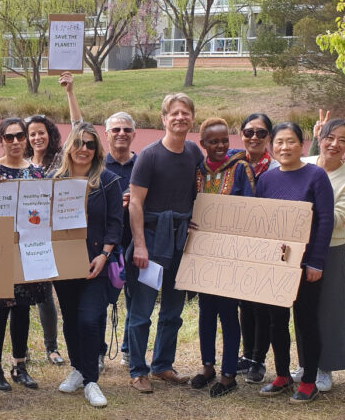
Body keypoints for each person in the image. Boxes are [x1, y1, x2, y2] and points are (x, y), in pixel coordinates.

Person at [126, 93, 204, 393]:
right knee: (142, 312)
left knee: (173, 310)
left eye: (186, 113)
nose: (180, 118)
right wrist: (141, 245)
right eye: (175, 113)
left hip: (179, 240)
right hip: (151, 239)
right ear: (164, 118)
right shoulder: (149, 156)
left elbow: (199, 191)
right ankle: (138, 369)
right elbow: (135, 203)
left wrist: (192, 217)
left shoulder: (194, 153)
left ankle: (162, 365)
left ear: (192, 118)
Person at [255, 122, 334, 403]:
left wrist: (316, 261)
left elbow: (326, 220)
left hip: (305, 265)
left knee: (306, 321)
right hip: (276, 264)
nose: (284, 147)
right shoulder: (266, 179)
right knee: (276, 321)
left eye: (290, 142)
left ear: (301, 144)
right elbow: (260, 222)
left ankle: (310, 380)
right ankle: (283, 375)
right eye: (279, 142)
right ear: (271, 146)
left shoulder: (316, 175)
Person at [51, 123, 124, 408]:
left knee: (88, 319)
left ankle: (91, 380)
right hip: (63, 264)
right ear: (70, 146)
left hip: (97, 264)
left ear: (97, 150)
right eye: (79, 143)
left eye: (90, 144)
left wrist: (104, 254)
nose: (84, 149)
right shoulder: (54, 180)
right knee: (70, 320)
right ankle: (78, 368)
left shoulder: (108, 181)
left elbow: (116, 223)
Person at [190, 117, 255, 398]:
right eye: (213, 141)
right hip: (203, 251)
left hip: (230, 253)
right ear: (203, 144)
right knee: (206, 312)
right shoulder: (197, 170)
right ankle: (207, 366)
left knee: (228, 313)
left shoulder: (240, 169)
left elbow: (251, 208)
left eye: (224, 141)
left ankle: (229, 374)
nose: (220, 146)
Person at [295, 114, 345, 392]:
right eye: (329, 138)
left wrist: (299, 211)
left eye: (341, 141)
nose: (334, 144)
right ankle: (306, 363)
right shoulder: (305, 164)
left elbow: (338, 217)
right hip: (298, 247)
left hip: (330, 249)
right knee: (302, 309)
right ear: (320, 139)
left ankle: (325, 367)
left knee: (329, 309)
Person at [0, 117, 48, 391]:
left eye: (19, 136)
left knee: (22, 310)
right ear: (0, 140)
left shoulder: (37, 172)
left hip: (29, 251)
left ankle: (20, 365)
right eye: (8, 137)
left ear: (26, 139)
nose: (15, 142)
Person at [232, 112, 279, 385]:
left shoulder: (275, 168)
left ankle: (259, 359)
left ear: (269, 137)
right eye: (249, 132)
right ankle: (247, 354)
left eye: (261, 133)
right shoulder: (234, 165)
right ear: (241, 134)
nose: (254, 137)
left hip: (267, 245)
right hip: (239, 245)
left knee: (262, 306)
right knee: (244, 304)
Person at [25, 114, 64, 366]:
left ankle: (52, 348)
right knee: (18, 298)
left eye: (41, 132)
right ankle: (22, 351)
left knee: (45, 293)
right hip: (25, 233)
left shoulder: (60, 161)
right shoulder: (23, 163)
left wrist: (70, 93)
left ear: (49, 134)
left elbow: (80, 126)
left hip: (50, 234)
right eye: (32, 134)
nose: (37, 137)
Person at [104, 111, 137, 368]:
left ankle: (129, 350)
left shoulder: (143, 164)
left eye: (126, 129)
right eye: (116, 130)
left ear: (134, 134)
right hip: (106, 243)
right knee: (100, 300)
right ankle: (98, 352)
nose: (121, 134)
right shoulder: (97, 165)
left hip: (137, 241)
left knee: (135, 300)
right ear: (107, 135)